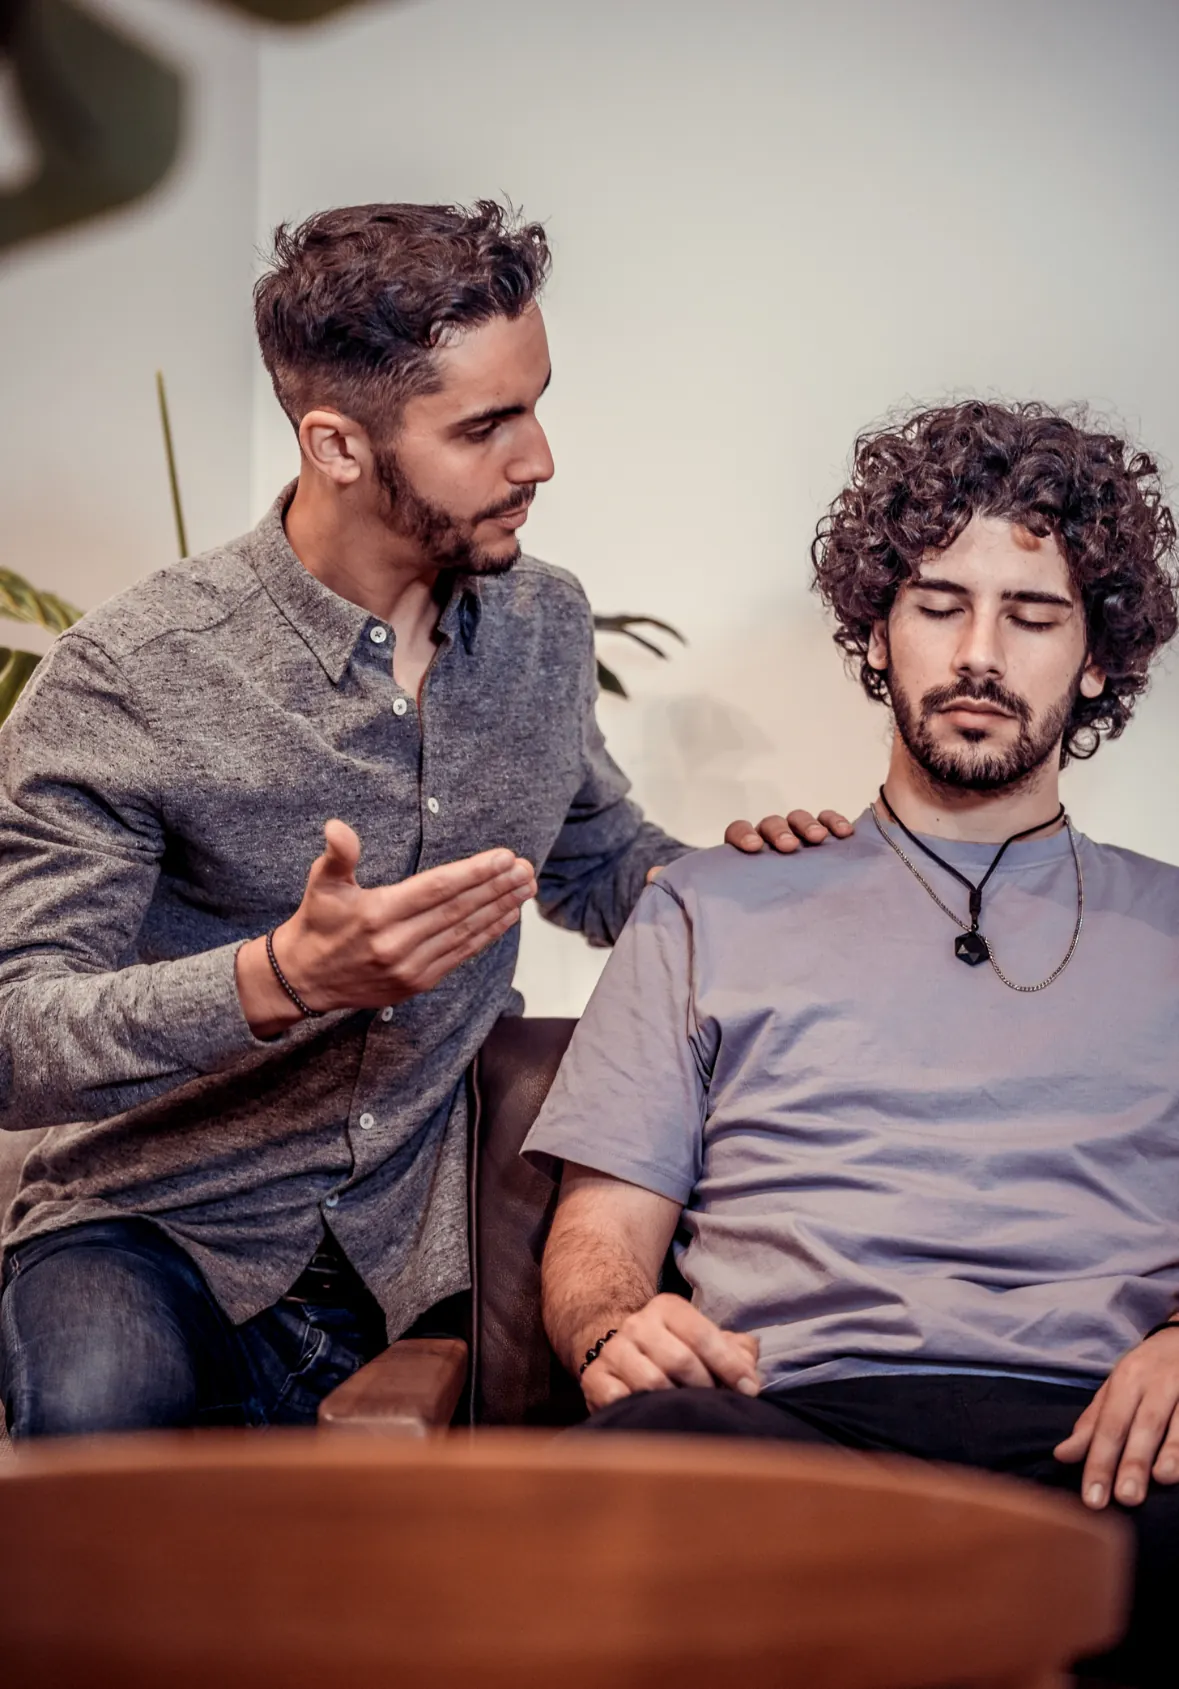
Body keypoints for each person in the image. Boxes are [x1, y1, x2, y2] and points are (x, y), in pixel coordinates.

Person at [0, 199, 808, 1439]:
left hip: (409, 1256)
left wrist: (781, 886)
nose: (538, 459)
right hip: (151, 1226)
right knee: (97, 1452)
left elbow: (597, 865)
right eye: (484, 426)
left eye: (535, 402)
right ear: (335, 444)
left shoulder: (540, 626)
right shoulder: (133, 675)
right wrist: (277, 977)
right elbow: (16, 1033)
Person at [526, 399, 1179, 1684]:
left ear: (1098, 658)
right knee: (615, 1488)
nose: (980, 651)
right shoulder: (710, 904)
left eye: (1034, 616)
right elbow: (600, 1239)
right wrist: (614, 1330)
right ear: (878, 632)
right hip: (780, 1420)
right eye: (939, 604)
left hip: (1102, 1440)